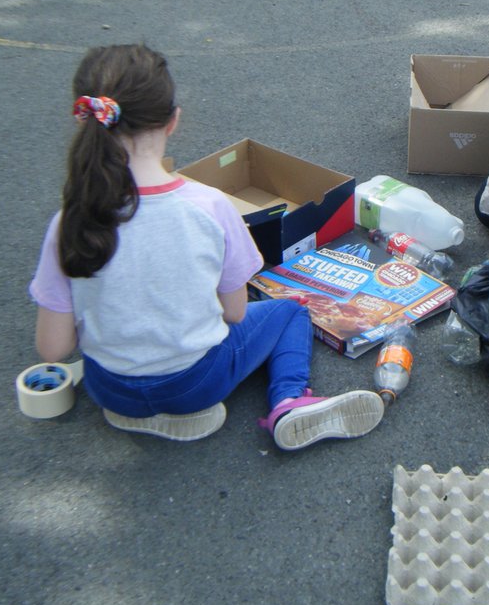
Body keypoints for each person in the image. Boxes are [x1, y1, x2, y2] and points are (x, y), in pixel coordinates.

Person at [28, 44, 384, 448]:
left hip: (110, 390)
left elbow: (53, 348)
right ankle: (288, 400)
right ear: (173, 121)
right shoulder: (208, 206)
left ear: (86, 122)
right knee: (289, 313)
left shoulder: (69, 221)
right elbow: (233, 314)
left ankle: (141, 414)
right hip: (196, 385)